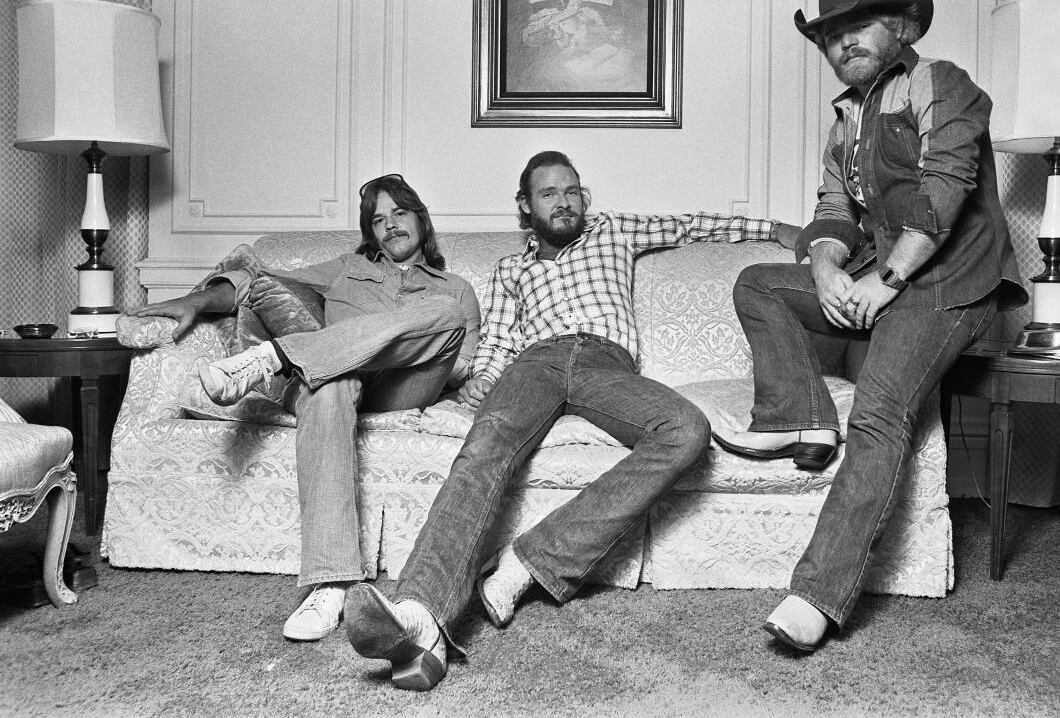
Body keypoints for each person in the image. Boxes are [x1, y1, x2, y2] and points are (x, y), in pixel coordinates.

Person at [342, 150, 801, 691]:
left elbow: (694, 224)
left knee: (686, 429)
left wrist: (776, 228)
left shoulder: (614, 231)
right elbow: (499, 342)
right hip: (534, 364)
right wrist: (480, 383)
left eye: (572, 191)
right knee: (484, 447)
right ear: (524, 206)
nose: (564, 202)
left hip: (606, 364)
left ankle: (530, 560)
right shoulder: (510, 269)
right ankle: (421, 615)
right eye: (548, 194)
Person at [710, 0, 1027, 653]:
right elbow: (832, 209)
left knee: (882, 412)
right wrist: (827, 269)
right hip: (881, 279)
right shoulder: (845, 121)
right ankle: (805, 418)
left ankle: (817, 595)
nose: (843, 42)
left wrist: (885, 282)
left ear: (901, 24)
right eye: (830, 34)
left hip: (949, 287)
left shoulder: (942, 84)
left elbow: (945, 186)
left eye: (859, 26)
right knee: (759, 283)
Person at [125, 174, 480, 642]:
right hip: (334, 378)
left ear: (421, 219)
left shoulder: (454, 287)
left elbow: (462, 363)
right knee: (329, 384)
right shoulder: (346, 268)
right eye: (378, 220)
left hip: (403, 385)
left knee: (445, 315)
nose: (390, 225)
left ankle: (274, 357)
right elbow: (256, 283)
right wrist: (194, 299)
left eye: (400, 213)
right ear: (369, 233)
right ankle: (330, 583)